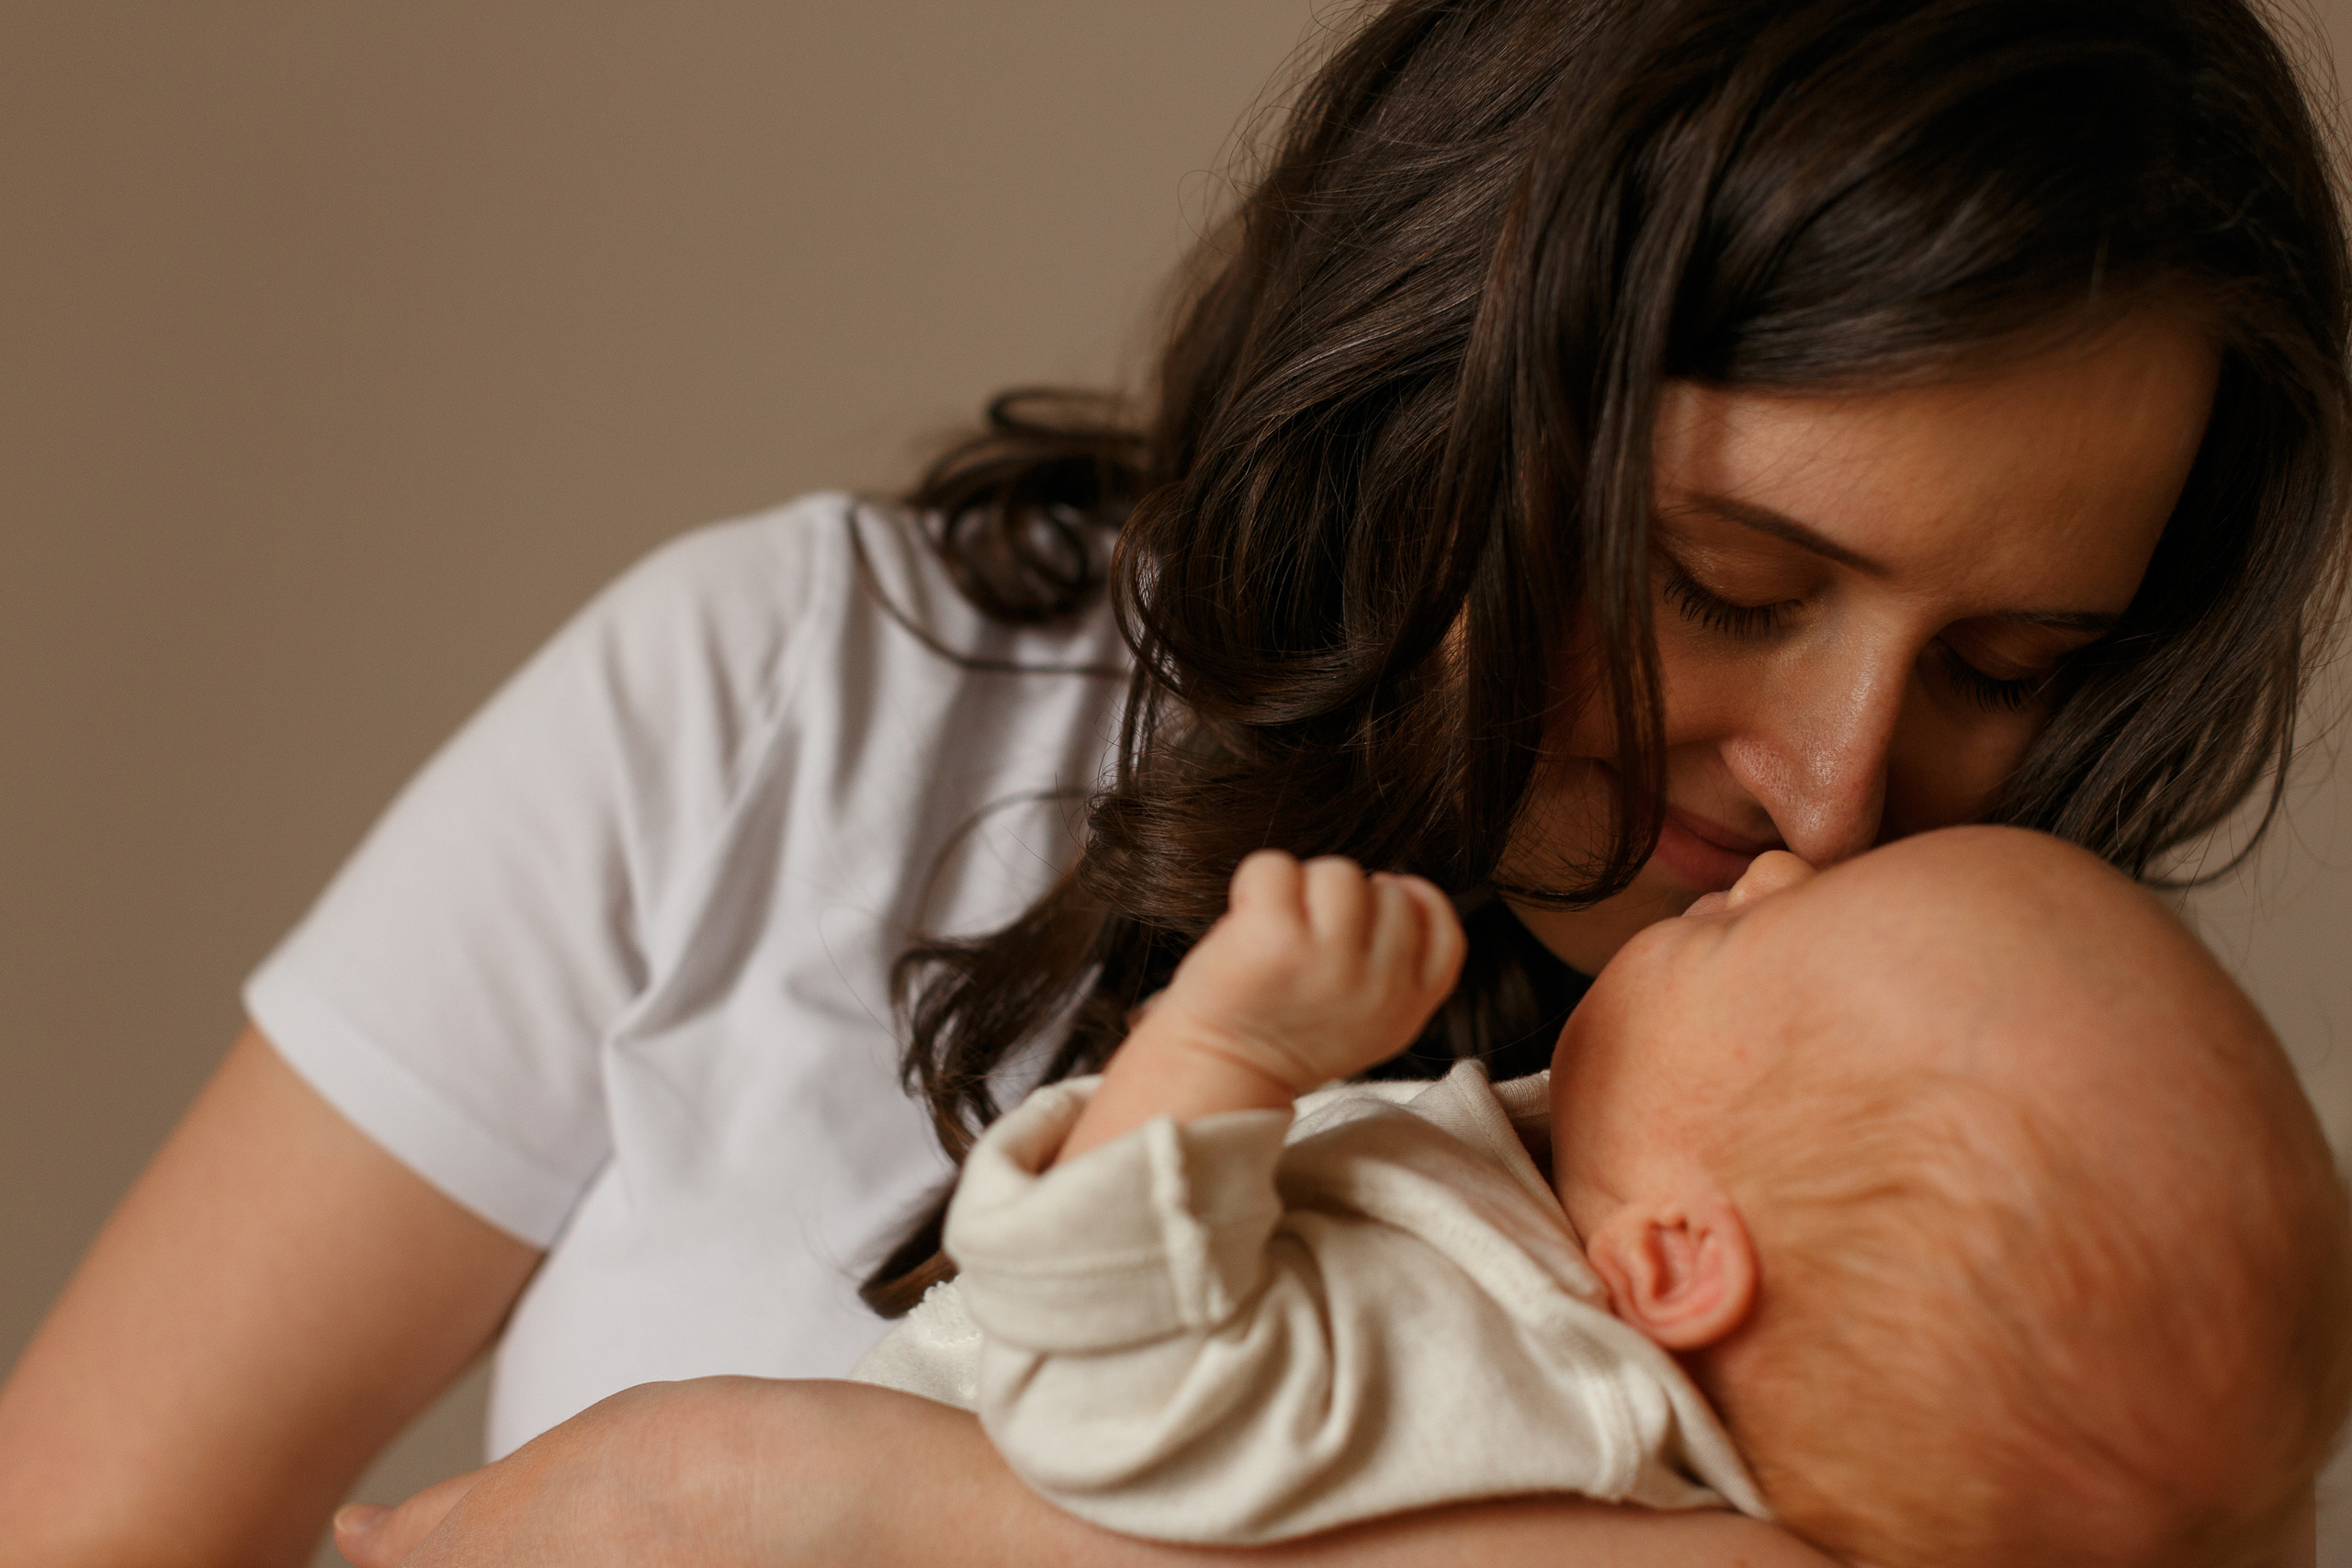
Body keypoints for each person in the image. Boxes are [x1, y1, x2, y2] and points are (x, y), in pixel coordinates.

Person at [1, 0, 2345, 1563]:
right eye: (1723, 581)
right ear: (1445, 399)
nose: (1837, 798)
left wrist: (834, 1495)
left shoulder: (2003, 1116)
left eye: (2015, 664)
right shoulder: (797, 696)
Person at [854, 831, 2352, 1567]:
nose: (1771, 865)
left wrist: (1224, 1050)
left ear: (1680, 1259)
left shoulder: (1503, 1379)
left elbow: (1105, 1377)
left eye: (1742, 939)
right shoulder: (1568, 1352)